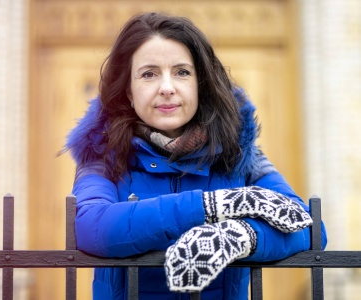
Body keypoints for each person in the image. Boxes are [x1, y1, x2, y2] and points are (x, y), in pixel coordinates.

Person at [64, 12, 327, 299]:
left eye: (182, 72)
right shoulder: (102, 153)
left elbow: (309, 229)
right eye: (149, 74)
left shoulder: (239, 153)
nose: (167, 88)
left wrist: (238, 235)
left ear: (199, 84)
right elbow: (92, 228)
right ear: (128, 90)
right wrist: (212, 206)